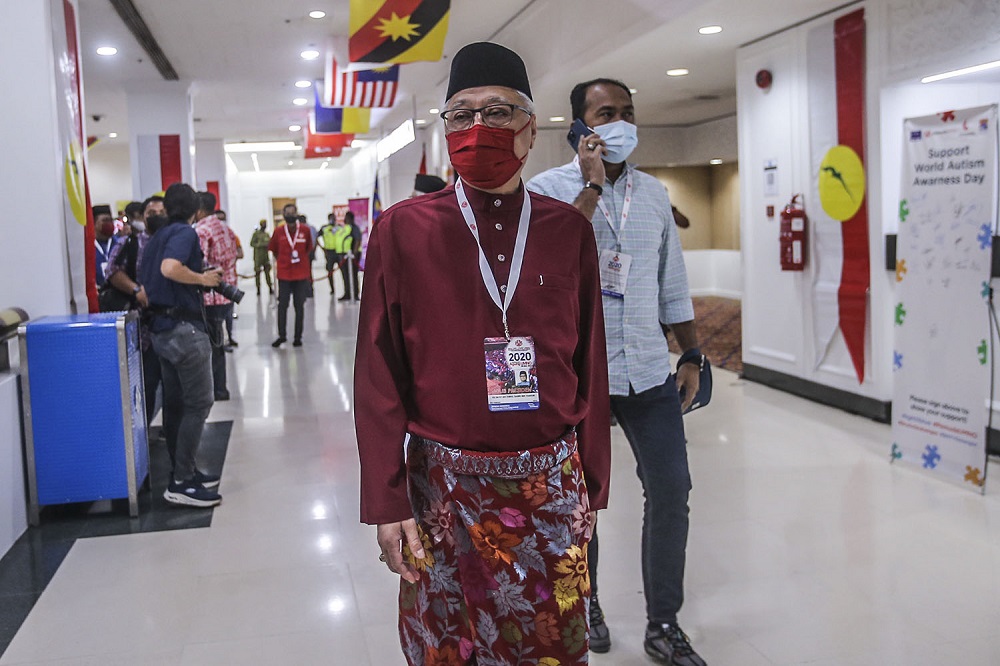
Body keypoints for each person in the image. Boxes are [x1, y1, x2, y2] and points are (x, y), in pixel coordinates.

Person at [354, 42, 611, 666]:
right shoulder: (403, 231)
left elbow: (591, 367)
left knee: (548, 644)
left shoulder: (566, 231)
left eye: (496, 112)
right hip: (439, 492)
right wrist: (386, 501)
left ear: (529, 127)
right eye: (460, 115)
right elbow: (377, 374)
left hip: (549, 487)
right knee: (448, 648)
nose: (477, 129)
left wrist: (593, 490)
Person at [527, 78, 706, 666]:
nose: (621, 122)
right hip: (580, 374)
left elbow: (670, 282)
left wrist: (692, 354)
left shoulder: (654, 194)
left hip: (649, 369)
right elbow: (546, 265)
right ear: (579, 125)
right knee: (582, 500)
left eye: (628, 112)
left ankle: (664, 623)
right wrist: (593, 185)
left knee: (672, 490)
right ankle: (588, 605)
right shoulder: (545, 191)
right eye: (607, 113)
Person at [137, 182, 222, 508]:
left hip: (161, 331)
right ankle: (182, 482)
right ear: (196, 211)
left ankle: (183, 471)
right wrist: (202, 279)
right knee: (199, 403)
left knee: (176, 405)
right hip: (184, 332)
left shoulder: (155, 237)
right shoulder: (186, 234)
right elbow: (170, 269)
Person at [105, 195, 164, 429]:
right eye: (151, 213)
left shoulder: (175, 242)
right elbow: (112, 271)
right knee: (146, 382)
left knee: (173, 387)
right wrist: (136, 289)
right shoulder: (130, 243)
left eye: (162, 212)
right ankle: (143, 432)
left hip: (171, 322)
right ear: (142, 216)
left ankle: (169, 436)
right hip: (141, 326)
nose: (156, 217)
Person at [194, 192, 239, 401]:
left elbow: (199, 263)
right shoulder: (226, 228)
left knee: (210, 347)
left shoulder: (202, 231)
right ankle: (220, 388)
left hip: (210, 296)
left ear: (199, 209)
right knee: (218, 344)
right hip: (227, 293)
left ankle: (215, 389)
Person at [268, 203, 312, 347]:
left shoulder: (305, 231)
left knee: (299, 306)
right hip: (284, 275)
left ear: (297, 213)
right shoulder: (278, 231)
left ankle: (298, 337)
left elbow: (308, 249)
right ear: (283, 215)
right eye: (287, 213)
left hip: (300, 275)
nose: (290, 216)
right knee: (283, 306)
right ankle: (282, 336)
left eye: (292, 213)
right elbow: (274, 250)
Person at [317, 213, 344, 295]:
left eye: (333, 218)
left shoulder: (339, 227)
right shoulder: (324, 228)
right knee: (329, 271)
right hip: (329, 252)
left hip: (338, 252)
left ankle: (346, 290)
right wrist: (322, 248)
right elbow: (316, 238)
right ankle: (332, 289)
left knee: (343, 271)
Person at [338, 211, 362, 302]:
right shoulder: (345, 228)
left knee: (353, 275)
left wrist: (354, 254)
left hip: (352, 255)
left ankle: (355, 294)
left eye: (347, 217)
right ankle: (347, 293)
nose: (345, 219)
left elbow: (357, 240)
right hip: (344, 255)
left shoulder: (354, 228)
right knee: (345, 275)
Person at [92, 205, 117, 288]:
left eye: (111, 220)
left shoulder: (119, 244)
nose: (109, 223)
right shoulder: (89, 247)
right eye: (105, 220)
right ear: (94, 223)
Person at [250, 219, 273, 295]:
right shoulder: (256, 234)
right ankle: (258, 289)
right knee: (257, 273)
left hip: (265, 256)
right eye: (263, 224)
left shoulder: (266, 234)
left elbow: (270, 243)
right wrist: (259, 245)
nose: (265, 225)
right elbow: (252, 243)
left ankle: (270, 287)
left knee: (267, 273)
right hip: (258, 256)